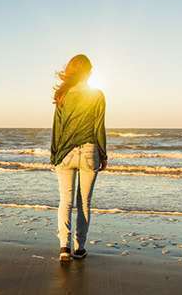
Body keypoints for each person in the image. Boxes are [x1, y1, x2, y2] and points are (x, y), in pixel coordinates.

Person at [50, 54, 107, 263]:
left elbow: (56, 128)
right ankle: (79, 248)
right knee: (84, 203)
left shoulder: (63, 95)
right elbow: (99, 127)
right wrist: (103, 154)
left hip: (64, 153)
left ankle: (64, 247)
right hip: (89, 152)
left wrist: (53, 154)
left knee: (65, 201)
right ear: (89, 72)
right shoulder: (97, 95)